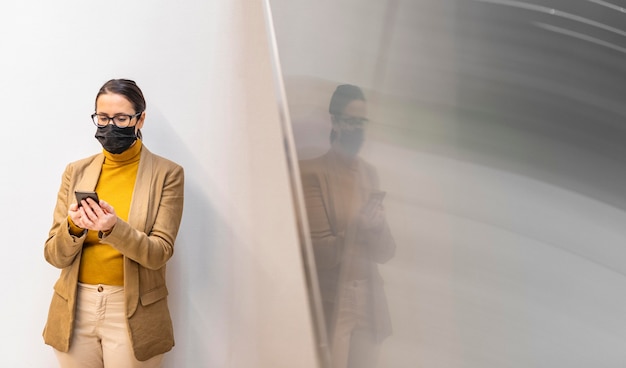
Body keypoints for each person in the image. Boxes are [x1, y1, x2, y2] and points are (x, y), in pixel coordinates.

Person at [43, 79, 184, 367]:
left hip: (132, 309)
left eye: (121, 118)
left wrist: (112, 228)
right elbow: (53, 255)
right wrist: (74, 227)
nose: (110, 126)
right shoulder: (76, 171)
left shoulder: (167, 174)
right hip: (75, 307)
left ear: (140, 119)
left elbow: (159, 253)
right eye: (103, 118)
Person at [299, 84, 396, 368]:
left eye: (362, 122)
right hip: (334, 302)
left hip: (369, 300)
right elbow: (320, 254)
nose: (358, 129)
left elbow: (386, 252)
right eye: (352, 121)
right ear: (336, 122)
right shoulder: (312, 173)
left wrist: (376, 228)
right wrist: (359, 227)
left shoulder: (369, 174)